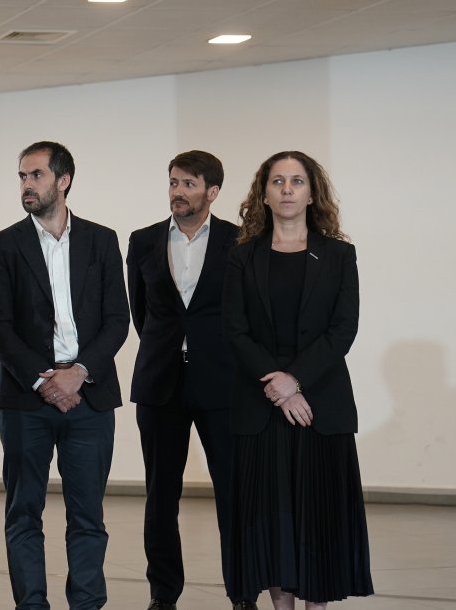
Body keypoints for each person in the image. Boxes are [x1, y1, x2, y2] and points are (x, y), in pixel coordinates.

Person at [223, 151, 373, 609]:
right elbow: (234, 329)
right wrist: (277, 386)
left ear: (312, 193)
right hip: (261, 409)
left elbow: (342, 329)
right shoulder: (242, 257)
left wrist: (296, 381)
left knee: (317, 523)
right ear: (263, 195)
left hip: (319, 408)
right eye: (277, 181)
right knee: (272, 525)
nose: (287, 189)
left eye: (297, 181)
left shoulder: (339, 255)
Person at [0, 140, 129, 610]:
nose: (27, 185)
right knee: (24, 514)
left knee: (87, 515)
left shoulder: (101, 240)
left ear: (62, 180)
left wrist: (79, 373)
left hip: (90, 397)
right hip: (26, 400)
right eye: (22, 176)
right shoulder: (4, 244)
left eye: (36, 175)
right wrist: (45, 380)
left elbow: (117, 320)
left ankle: (86, 603)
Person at [125, 151, 257, 610]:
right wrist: (172, 351)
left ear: (212, 192)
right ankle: (163, 594)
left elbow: (249, 316)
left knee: (233, 494)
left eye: (188, 184)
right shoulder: (142, 241)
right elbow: (141, 313)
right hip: (161, 384)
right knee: (161, 497)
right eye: (173, 182)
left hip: (223, 384)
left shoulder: (241, 241)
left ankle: (242, 594)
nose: (177, 192)